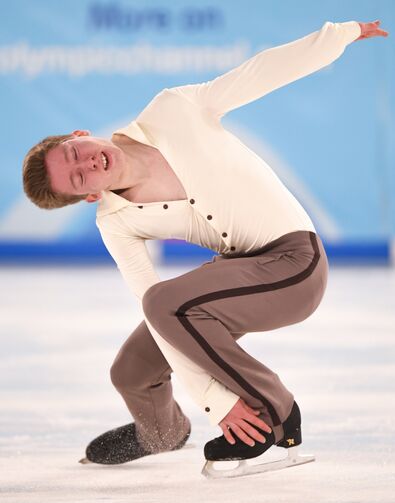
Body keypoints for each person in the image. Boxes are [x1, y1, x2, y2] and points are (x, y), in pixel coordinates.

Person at [22, 20, 388, 473]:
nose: (89, 163)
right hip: (238, 278)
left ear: (80, 135)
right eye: (80, 178)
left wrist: (339, 36)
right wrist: (214, 403)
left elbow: (261, 72)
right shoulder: (115, 222)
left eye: (76, 153)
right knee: (132, 370)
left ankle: (274, 412)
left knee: (166, 304)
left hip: (296, 266)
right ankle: (163, 434)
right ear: (90, 196)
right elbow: (157, 316)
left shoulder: (173, 110)